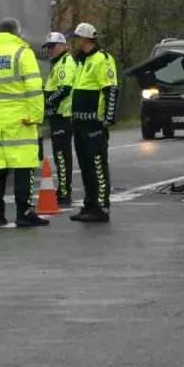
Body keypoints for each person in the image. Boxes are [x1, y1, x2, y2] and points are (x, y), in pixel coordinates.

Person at [0, 18, 50, 228]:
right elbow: (34, 88)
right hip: (20, 119)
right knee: (24, 166)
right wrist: (35, 116)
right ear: (17, 34)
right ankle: (24, 213)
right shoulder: (23, 54)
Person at [69, 22, 120, 223]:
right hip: (80, 122)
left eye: (77, 39)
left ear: (84, 39)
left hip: (94, 123)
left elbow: (111, 89)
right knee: (85, 165)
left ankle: (101, 205)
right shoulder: (82, 61)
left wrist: (108, 118)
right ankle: (89, 204)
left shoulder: (102, 60)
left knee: (97, 164)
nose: (75, 43)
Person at [42, 31, 78, 206]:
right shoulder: (57, 64)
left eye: (52, 47)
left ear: (62, 46)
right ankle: (63, 190)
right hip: (57, 116)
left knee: (62, 157)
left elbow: (64, 89)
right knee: (59, 156)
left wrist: (47, 103)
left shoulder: (65, 64)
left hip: (64, 116)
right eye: (48, 48)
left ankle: (64, 192)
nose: (49, 51)